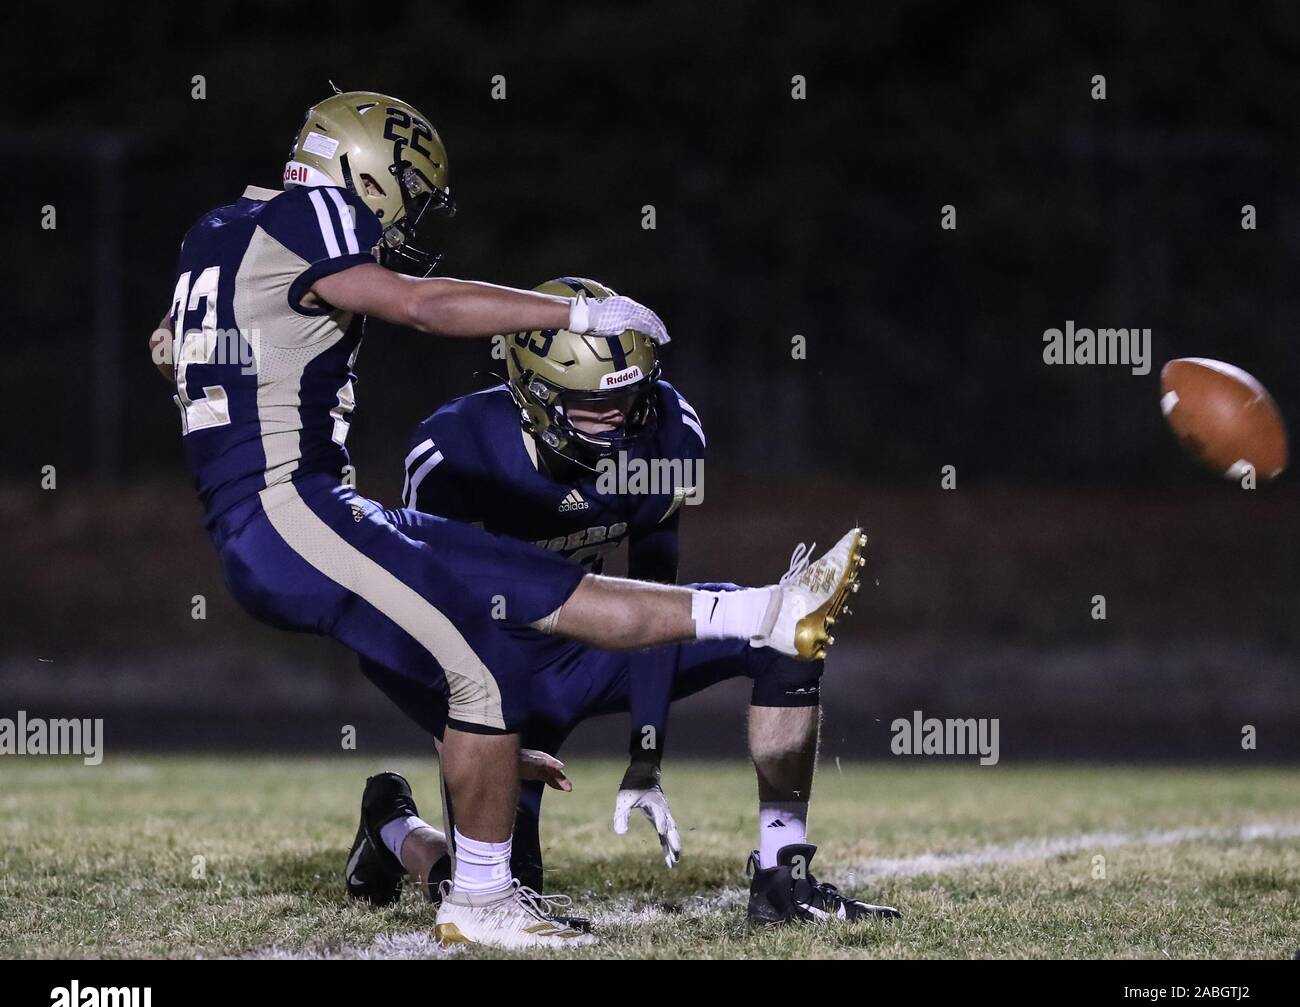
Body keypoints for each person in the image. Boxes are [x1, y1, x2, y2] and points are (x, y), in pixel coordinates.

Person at [153, 91, 865, 949]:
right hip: (290, 508)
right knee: (485, 678)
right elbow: (420, 306)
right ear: (363, 167)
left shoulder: (219, 231)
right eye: (408, 188)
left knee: (541, 587)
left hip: (297, 511)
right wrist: (572, 311)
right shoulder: (314, 217)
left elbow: (169, 345)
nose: (409, 211)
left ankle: (766, 612)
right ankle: (475, 899)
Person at [347, 278, 897, 928]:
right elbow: (417, 622)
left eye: (631, 398)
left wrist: (646, 751)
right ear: (535, 397)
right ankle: (392, 825)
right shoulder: (456, 456)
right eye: (593, 405)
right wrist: (467, 732)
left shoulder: (669, 429)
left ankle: (785, 879)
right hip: (491, 670)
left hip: (594, 642)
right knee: (491, 895)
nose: (622, 419)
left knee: (784, 633)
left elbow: (656, 593)